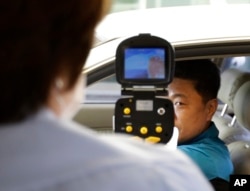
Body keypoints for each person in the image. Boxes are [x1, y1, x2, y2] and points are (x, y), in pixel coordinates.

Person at [0, 1, 213, 191]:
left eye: (179, 102)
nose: (169, 112)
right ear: (73, 54)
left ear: (210, 109)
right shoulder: (163, 175)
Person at [167, 59, 234, 190]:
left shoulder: (202, 159)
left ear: (209, 108)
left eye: (179, 103)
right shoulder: (188, 140)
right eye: (163, 102)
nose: (166, 114)